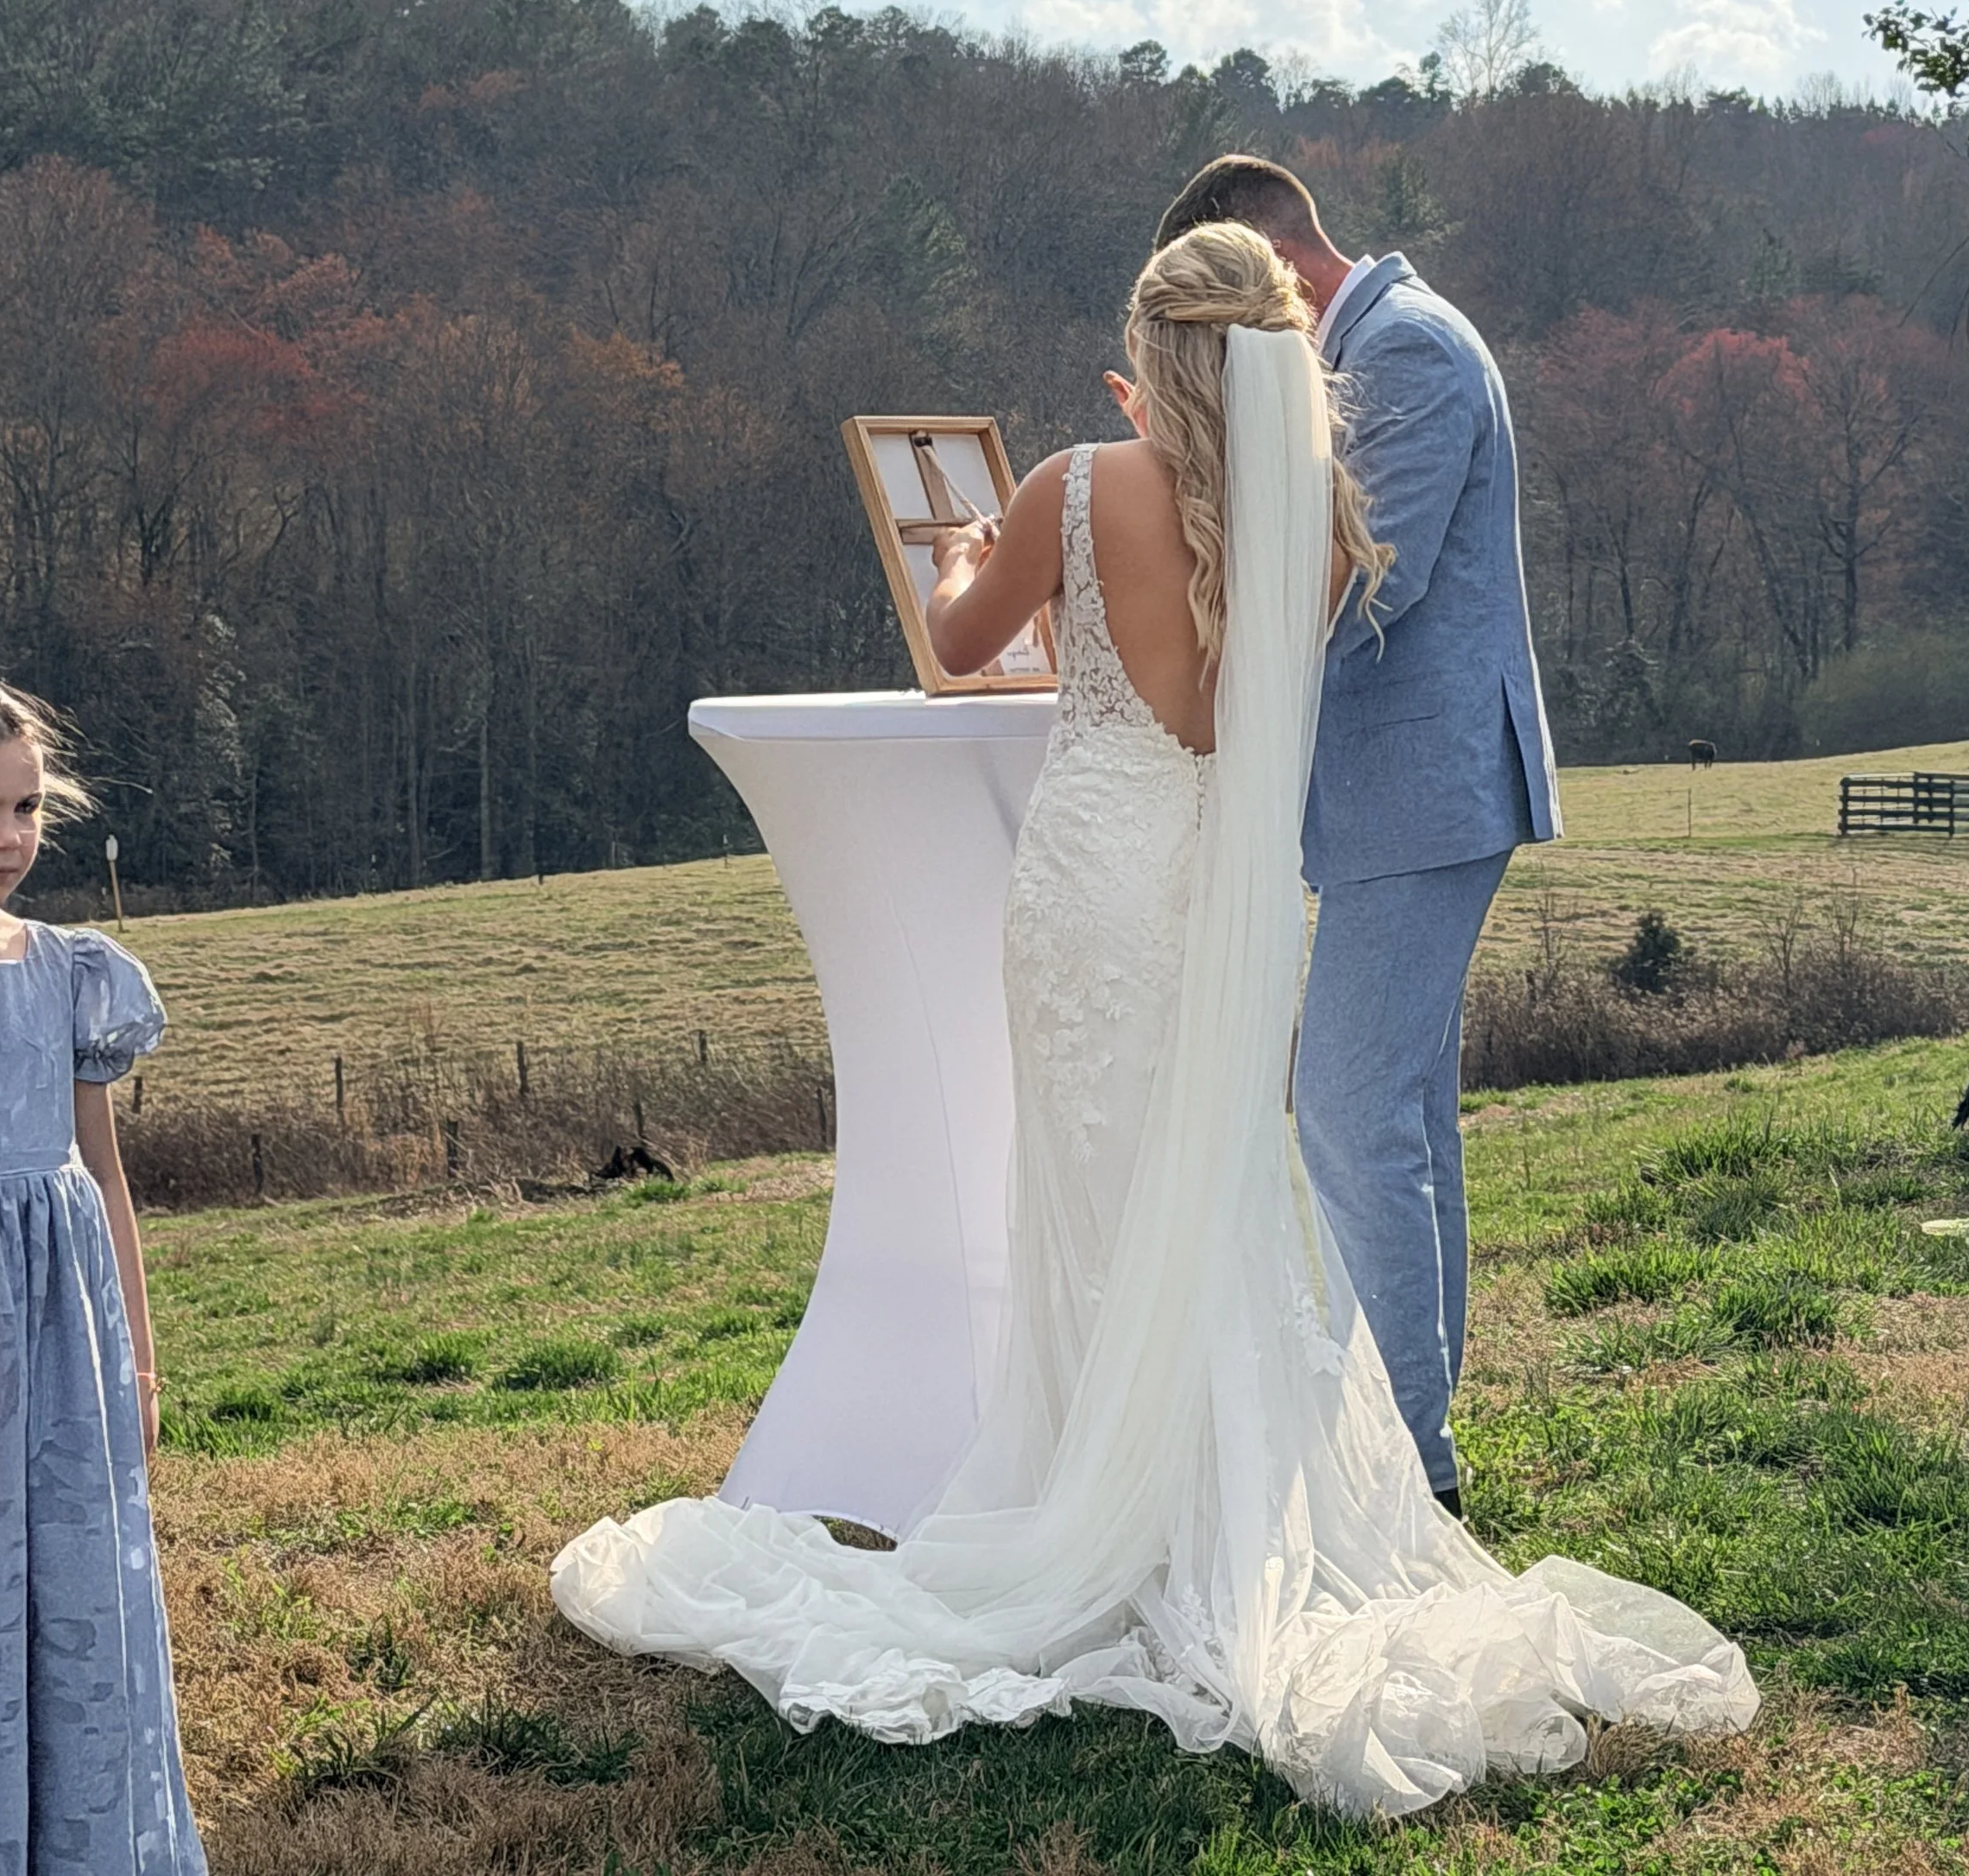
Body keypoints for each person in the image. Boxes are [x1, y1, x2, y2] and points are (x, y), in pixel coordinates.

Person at [552, 224, 1753, 1815]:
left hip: (1088, 881)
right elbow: (1230, 703)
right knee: (1216, 1192)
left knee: (1094, 1191)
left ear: (1151, 351)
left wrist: (985, 549)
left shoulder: (1074, 481)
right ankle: (1210, 1509)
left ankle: (1093, 1499)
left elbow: (954, 644)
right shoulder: (1314, 517)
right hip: (1211, 893)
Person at [1154, 159, 1556, 1519]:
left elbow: (1358, 577)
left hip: (1426, 789)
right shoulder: (1382, 340)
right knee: (1402, 1121)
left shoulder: (1405, 355)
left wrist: (1185, 642)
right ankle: (1408, 1450)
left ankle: (1404, 1474)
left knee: (1340, 1108)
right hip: (1400, 791)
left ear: (1280, 271)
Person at [0, 681, 208, 1873]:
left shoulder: (73, 972)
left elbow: (103, 1173)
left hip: (68, 1355)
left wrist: (139, 1356)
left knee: (75, 1601)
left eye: (24, 808)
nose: (4, 839)